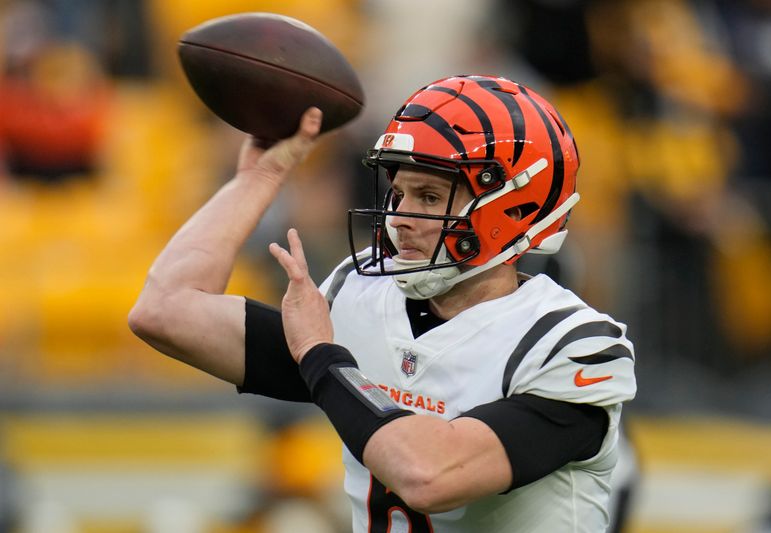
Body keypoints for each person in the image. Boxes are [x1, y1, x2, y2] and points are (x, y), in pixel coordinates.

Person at [129, 75, 636, 532]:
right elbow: (166, 310)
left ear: (512, 206)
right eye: (399, 193)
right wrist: (257, 180)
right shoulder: (365, 292)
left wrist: (322, 359)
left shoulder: (574, 346)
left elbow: (428, 475)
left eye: (430, 197)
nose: (401, 217)